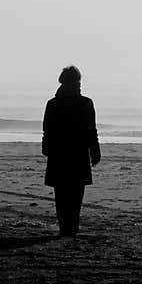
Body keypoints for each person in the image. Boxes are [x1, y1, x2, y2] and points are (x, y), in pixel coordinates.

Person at [41, 65, 101, 237]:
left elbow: (47, 129)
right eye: (77, 81)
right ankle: (71, 228)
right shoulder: (85, 103)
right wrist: (95, 151)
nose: (79, 85)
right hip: (77, 154)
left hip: (59, 154)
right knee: (75, 195)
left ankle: (65, 228)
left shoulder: (53, 103)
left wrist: (46, 148)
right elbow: (91, 130)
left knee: (62, 195)